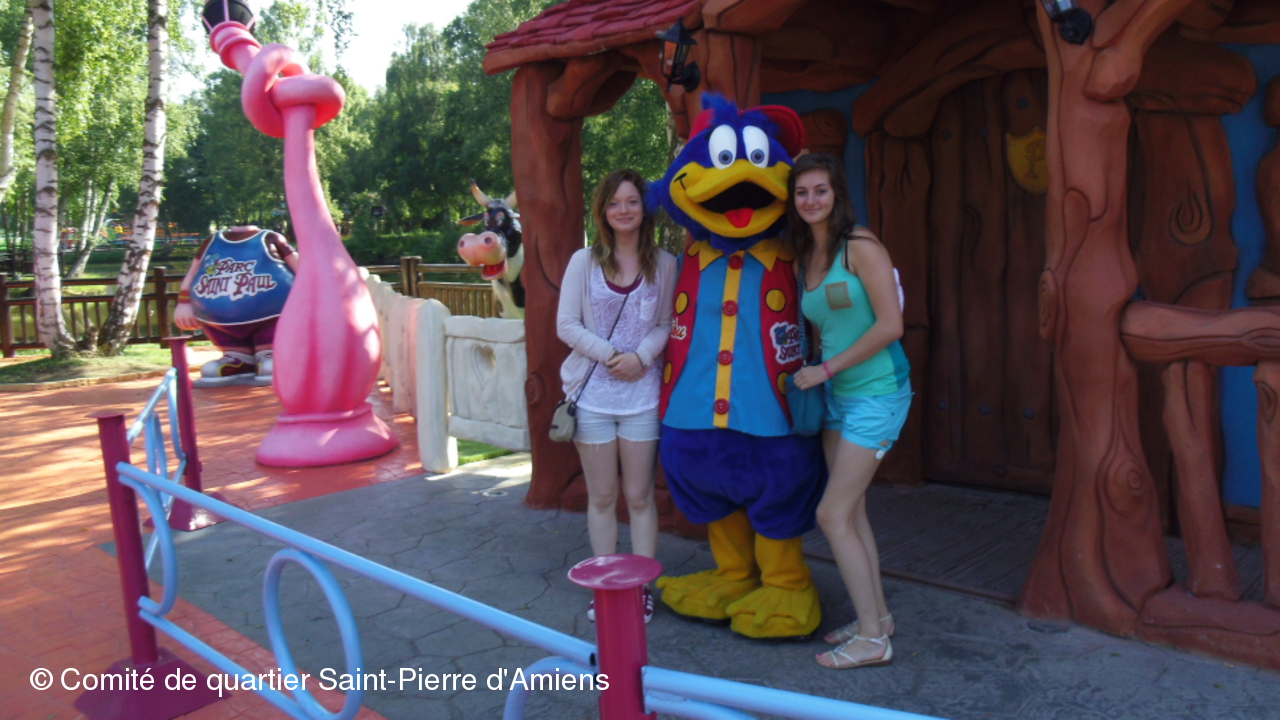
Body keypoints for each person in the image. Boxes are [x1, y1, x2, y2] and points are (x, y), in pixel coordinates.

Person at [786, 153, 912, 669]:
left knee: (831, 514)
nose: (811, 200)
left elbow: (890, 325)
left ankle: (873, 643)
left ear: (837, 193)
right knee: (852, 510)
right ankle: (874, 619)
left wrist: (827, 368)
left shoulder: (859, 245)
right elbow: (826, 325)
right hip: (837, 395)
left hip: (877, 392)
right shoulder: (807, 254)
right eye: (802, 192)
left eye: (821, 190)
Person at [557, 169, 678, 623]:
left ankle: (641, 588)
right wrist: (611, 356)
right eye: (614, 203)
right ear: (603, 211)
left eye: (631, 201)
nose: (623, 210)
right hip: (592, 397)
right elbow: (566, 324)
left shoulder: (664, 264)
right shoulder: (583, 262)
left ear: (644, 208)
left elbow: (666, 323)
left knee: (640, 496)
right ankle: (607, 584)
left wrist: (641, 357)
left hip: (642, 397)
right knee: (603, 496)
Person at [174, 225, 298, 386]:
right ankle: (238, 358)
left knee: (269, 358)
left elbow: (298, 265)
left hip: (271, 316)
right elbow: (193, 271)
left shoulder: (270, 239)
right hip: (218, 323)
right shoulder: (212, 241)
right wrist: (184, 303)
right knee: (216, 366)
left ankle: (269, 353)